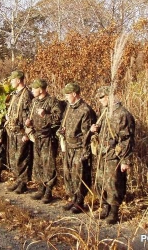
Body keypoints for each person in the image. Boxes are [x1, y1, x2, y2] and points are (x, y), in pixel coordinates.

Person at [90, 86, 135, 224]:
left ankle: (114, 212)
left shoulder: (123, 114)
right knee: (101, 182)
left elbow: (127, 139)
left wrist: (125, 160)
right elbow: (103, 132)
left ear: (110, 96)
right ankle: (105, 208)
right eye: (99, 98)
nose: (100, 100)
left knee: (114, 183)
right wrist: (94, 130)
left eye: (102, 97)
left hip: (115, 155)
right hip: (102, 154)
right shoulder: (104, 112)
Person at [57, 82, 96, 214]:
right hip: (68, 147)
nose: (66, 97)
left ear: (75, 94)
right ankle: (73, 198)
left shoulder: (85, 110)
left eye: (68, 94)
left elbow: (87, 134)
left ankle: (80, 202)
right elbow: (65, 124)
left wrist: (82, 148)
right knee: (68, 174)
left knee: (79, 175)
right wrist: (62, 131)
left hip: (79, 148)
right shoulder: (69, 107)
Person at [24, 79, 62, 203]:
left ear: (41, 89)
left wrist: (45, 114)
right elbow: (31, 116)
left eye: (34, 89)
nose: (33, 91)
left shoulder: (52, 101)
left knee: (48, 164)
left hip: (48, 137)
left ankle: (48, 191)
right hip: (37, 136)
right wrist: (29, 123)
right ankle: (41, 188)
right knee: (38, 163)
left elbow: (58, 119)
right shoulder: (34, 102)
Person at [5, 70, 33, 194]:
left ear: (18, 80)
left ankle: (23, 182)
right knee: (14, 158)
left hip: (21, 131)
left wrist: (27, 133)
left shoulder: (27, 94)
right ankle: (17, 179)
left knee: (22, 157)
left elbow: (29, 116)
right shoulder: (15, 94)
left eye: (12, 80)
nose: (11, 82)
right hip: (13, 130)